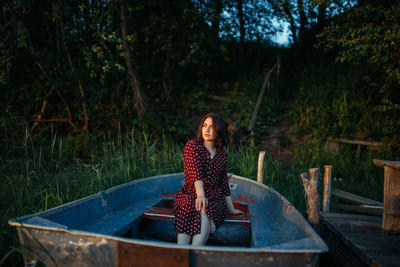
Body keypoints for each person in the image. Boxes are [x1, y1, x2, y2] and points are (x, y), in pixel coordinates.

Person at [173, 113, 242, 246]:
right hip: (190, 193)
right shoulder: (192, 146)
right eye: (204, 125)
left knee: (205, 211)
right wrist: (201, 196)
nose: (207, 129)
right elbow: (195, 173)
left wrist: (231, 209)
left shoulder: (222, 155)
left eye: (212, 126)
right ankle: (181, 253)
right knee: (190, 206)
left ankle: (194, 252)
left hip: (215, 198)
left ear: (219, 130)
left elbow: (223, 185)